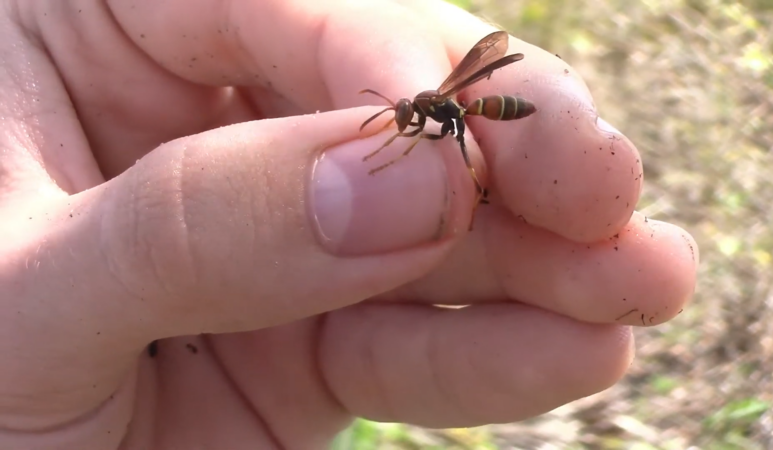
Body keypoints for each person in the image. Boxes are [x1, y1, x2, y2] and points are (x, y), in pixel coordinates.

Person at [0, 0, 697, 448]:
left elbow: (459, 105)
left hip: (493, 118)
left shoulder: (441, 108)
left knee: (463, 150)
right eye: (400, 122)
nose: (400, 125)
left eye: (401, 121)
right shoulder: (425, 107)